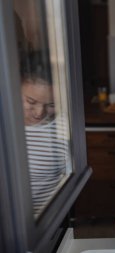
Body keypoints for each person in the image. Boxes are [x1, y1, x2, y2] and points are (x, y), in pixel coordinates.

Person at [22, 73, 69, 216]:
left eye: (51, 105)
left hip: (47, 221)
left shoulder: (64, 128)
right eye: (31, 101)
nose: (39, 113)